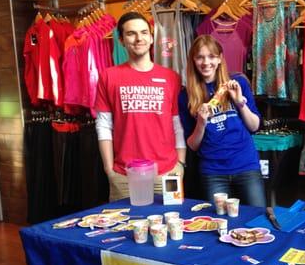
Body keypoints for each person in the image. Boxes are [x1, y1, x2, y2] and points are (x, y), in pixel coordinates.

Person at [94, 12, 186, 202]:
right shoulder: (108, 76)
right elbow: (103, 125)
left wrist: (181, 163)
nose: (139, 38)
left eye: (144, 32)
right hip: (124, 175)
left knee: (169, 228)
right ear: (121, 40)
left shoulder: (171, 77)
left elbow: (177, 123)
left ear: (151, 38)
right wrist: (109, 169)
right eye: (131, 34)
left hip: (167, 172)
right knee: (125, 229)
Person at [179, 35, 266, 208]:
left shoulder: (238, 82)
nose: (206, 62)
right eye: (200, 57)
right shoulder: (185, 95)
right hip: (213, 172)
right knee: (218, 223)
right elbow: (193, 145)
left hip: (246, 165)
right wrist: (201, 123)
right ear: (193, 60)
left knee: (257, 219)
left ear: (219, 58)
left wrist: (240, 102)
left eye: (211, 56)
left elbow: (254, 126)